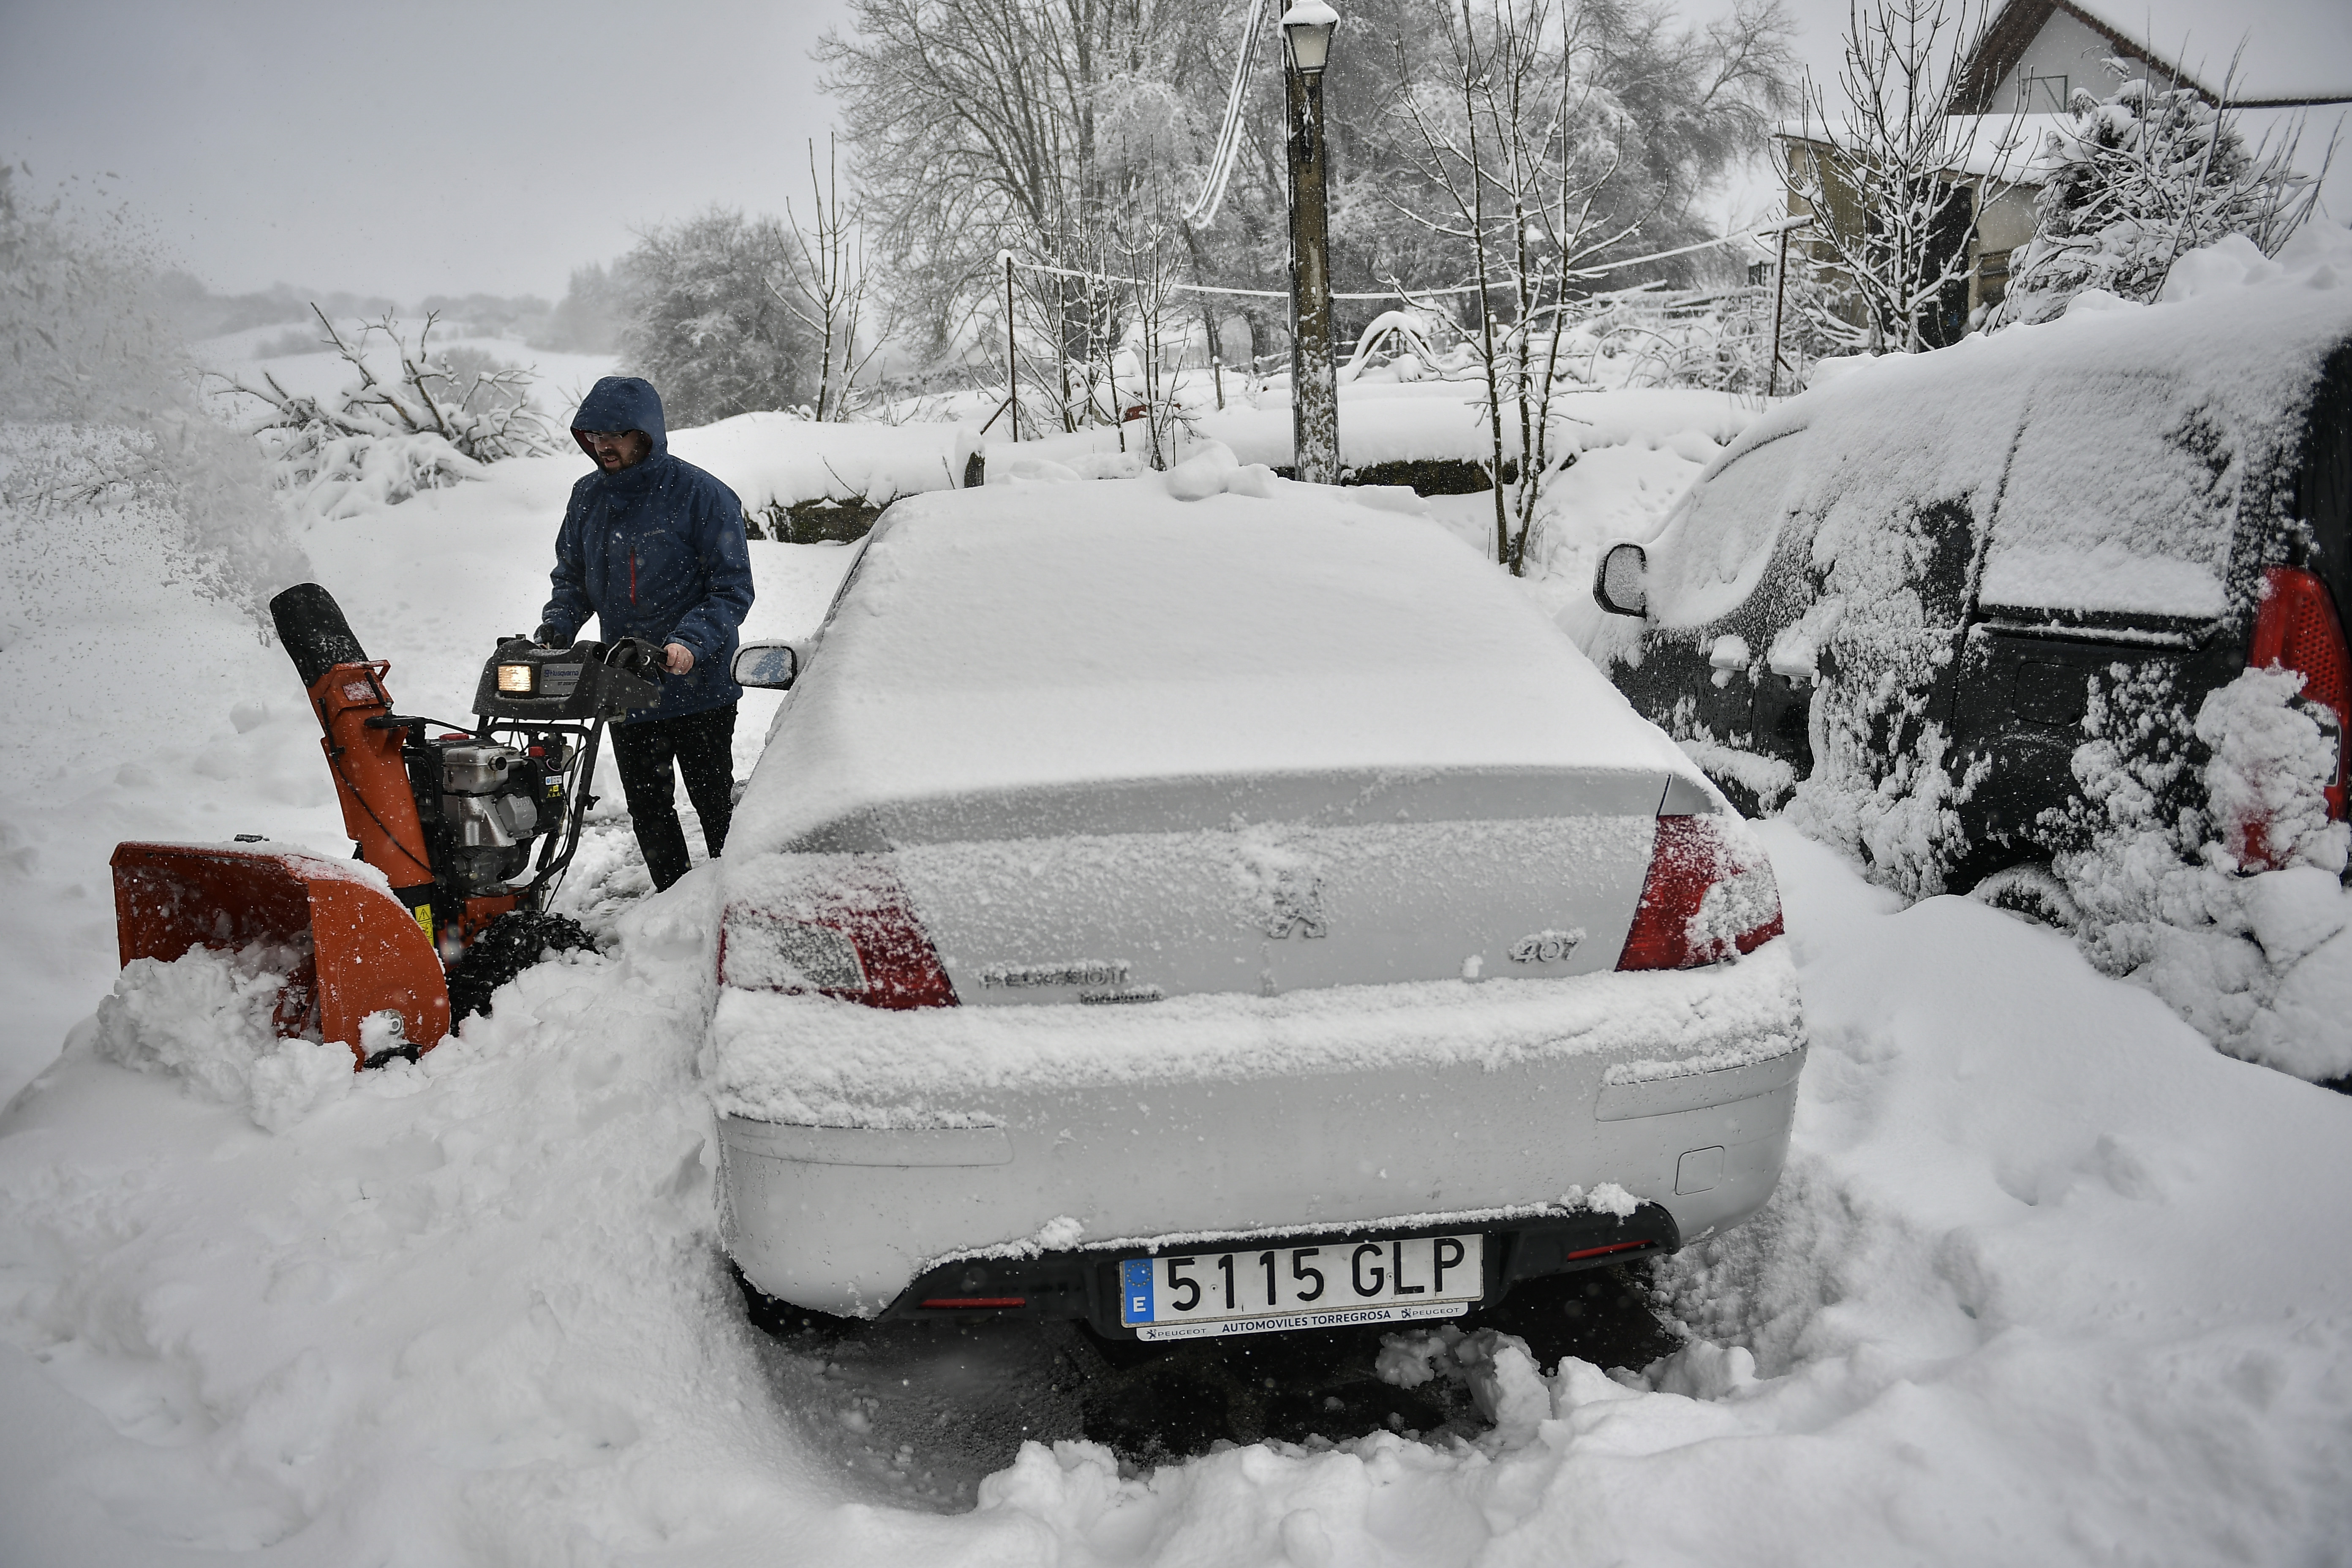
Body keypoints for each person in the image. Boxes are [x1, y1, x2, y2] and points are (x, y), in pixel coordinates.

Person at [537, 376, 754, 892]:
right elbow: (572, 578)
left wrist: (688, 645)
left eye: (616, 433)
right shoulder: (588, 497)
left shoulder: (703, 495)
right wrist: (557, 626)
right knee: (650, 812)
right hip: (627, 685)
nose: (603, 444)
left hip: (699, 686)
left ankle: (737, 901)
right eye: (593, 433)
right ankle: (672, 905)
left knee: (715, 804)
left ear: (646, 434)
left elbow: (730, 590)